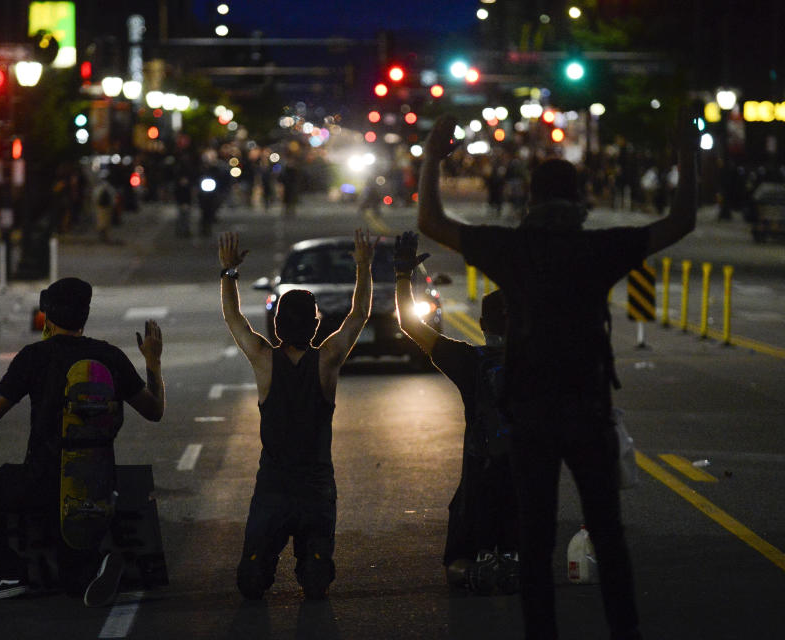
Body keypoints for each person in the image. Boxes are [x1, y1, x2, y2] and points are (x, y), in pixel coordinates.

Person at [417, 109, 697, 640]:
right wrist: (686, 155)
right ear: (579, 200)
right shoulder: (598, 248)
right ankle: (625, 630)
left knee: (537, 537)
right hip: (587, 408)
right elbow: (680, 222)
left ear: (530, 201)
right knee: (608, 535)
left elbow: (432, 223)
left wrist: (432, 157)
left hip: (530, 414)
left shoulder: (514, 250)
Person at [0, 277, 165, 606]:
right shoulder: (109, 355)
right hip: (95, 484)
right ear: (85, 315)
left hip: (41, 483)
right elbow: (154, 410)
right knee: (72, 581)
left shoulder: (34, 357)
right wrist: (153, 360)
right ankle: (98, 565)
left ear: (47, 316)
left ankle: (11, 572)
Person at [218, 229, 375, 600]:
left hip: (273, 484)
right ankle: (313, 563)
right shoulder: (327, 361)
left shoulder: (263, 359)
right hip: (316, 485)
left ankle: (264, 564)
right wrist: (363, 265)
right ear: (316, 325)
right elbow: (359, 315)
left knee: (252, 581)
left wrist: (228, 272)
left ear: (277, 326)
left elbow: (233, 318)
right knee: (317, 579)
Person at [392, 232, 519, 595]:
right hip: (525, 481)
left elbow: (409, 324)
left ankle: (477, 575)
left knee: (457, 564)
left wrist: (403, 276)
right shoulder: (538, 364)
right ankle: (513, 564)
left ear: (482, 326)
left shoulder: (469, 361)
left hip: (479, 481)